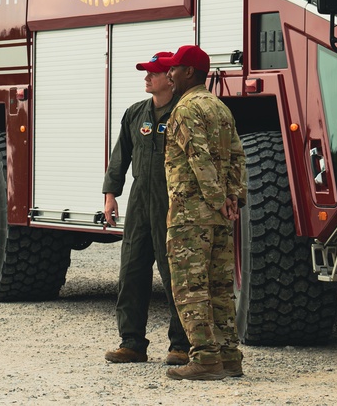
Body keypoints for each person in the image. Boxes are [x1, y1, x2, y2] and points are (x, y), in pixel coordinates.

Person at [163, 45, 247, 381]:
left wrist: (215, 199)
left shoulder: (185, 109)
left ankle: (206, 360)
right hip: (220, 217)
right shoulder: (221, 108)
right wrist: (232, 199)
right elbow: (238, 156)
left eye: (174, 69)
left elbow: (198, 158)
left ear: (189, 73)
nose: (169, 74)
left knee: (189, 287)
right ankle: (229, 357)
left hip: (190, 215)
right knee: (220, 288)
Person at [102, 51, 191, 366]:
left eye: (152, 72)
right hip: (140, 201)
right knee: (132, 271)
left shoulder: (184, 113)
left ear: (170, 77)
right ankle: (132, 343)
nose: (146, 77)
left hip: (173, 202)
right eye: (145, 72)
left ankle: (181, 345)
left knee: (175, 275)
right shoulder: (135, 113)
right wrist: (111, 194)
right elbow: (120, 157)